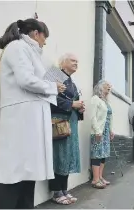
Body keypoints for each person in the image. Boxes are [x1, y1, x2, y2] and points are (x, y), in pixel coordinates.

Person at [0, 19, 65, 209]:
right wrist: (53, 86)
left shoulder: (29, 51)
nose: (45, 42)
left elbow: (33, 80)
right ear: (36, 33)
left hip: (29, 116)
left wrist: (53, 84)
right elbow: (26, 80)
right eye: (45, 38)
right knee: (15, 170)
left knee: (28, 171)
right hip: (22, 117)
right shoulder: (18, 47)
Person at [49, 53, 84, 204]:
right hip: (60, 122)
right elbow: (49, 97)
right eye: (73, 60)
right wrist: (71, 105)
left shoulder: (71, 80)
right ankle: (57, 192)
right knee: (60, 155)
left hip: (71, 123)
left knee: (68, 156)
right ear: (63, 63)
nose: (76, 63)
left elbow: (74, 100)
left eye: (77, 61)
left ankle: (64, 189)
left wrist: (80, 109)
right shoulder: (54, 74)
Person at [90, 80, 114, 189]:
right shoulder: (95, 99)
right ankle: (95, 180)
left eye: (110, 86)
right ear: (100, 87)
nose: (109, 87)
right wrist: (97, 131)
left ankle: (100, 177)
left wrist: (110, 130)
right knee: (97, 154)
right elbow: (93, 116)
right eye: (106, 85)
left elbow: (109, 117)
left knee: (103, 154)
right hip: (98, 131)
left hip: (105, 132)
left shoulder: (106, 102)